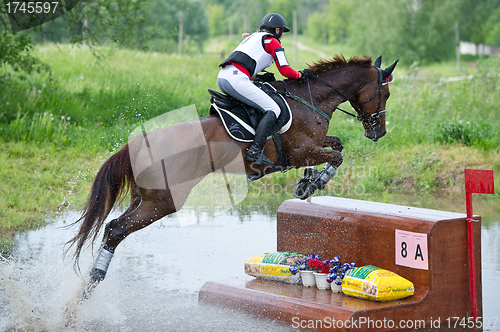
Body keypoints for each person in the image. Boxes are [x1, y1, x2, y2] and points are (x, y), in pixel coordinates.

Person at [218, 13, 313, 167]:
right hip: (236, 79)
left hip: (224, 77)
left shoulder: (253, 37)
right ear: (277, 30)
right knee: (273, 108)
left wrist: (259, 77)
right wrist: (300, 74)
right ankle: (255, 151)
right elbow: (285, 70)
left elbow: (245, 64)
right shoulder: (272, 41)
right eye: (281, 31)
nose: (281, 36)